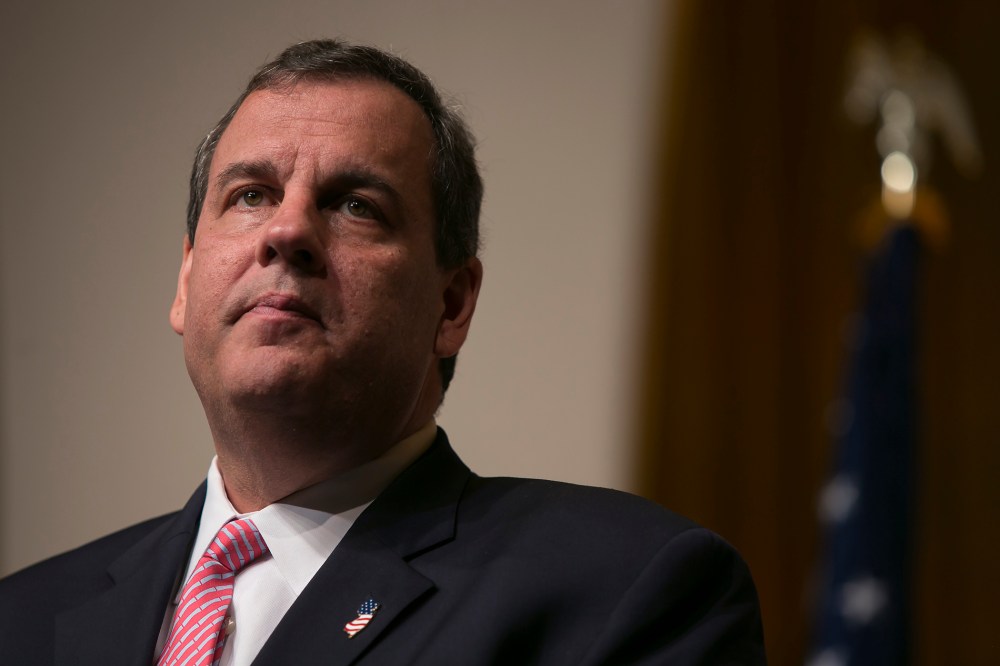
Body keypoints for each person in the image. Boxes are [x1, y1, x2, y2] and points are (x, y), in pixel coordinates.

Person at [0, 39, 766, 665]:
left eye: (355, 205)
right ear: (187, 278)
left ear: (452, 304)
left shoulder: (624, 591)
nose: (287, 231)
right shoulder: (24, 620)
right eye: (250, 195)